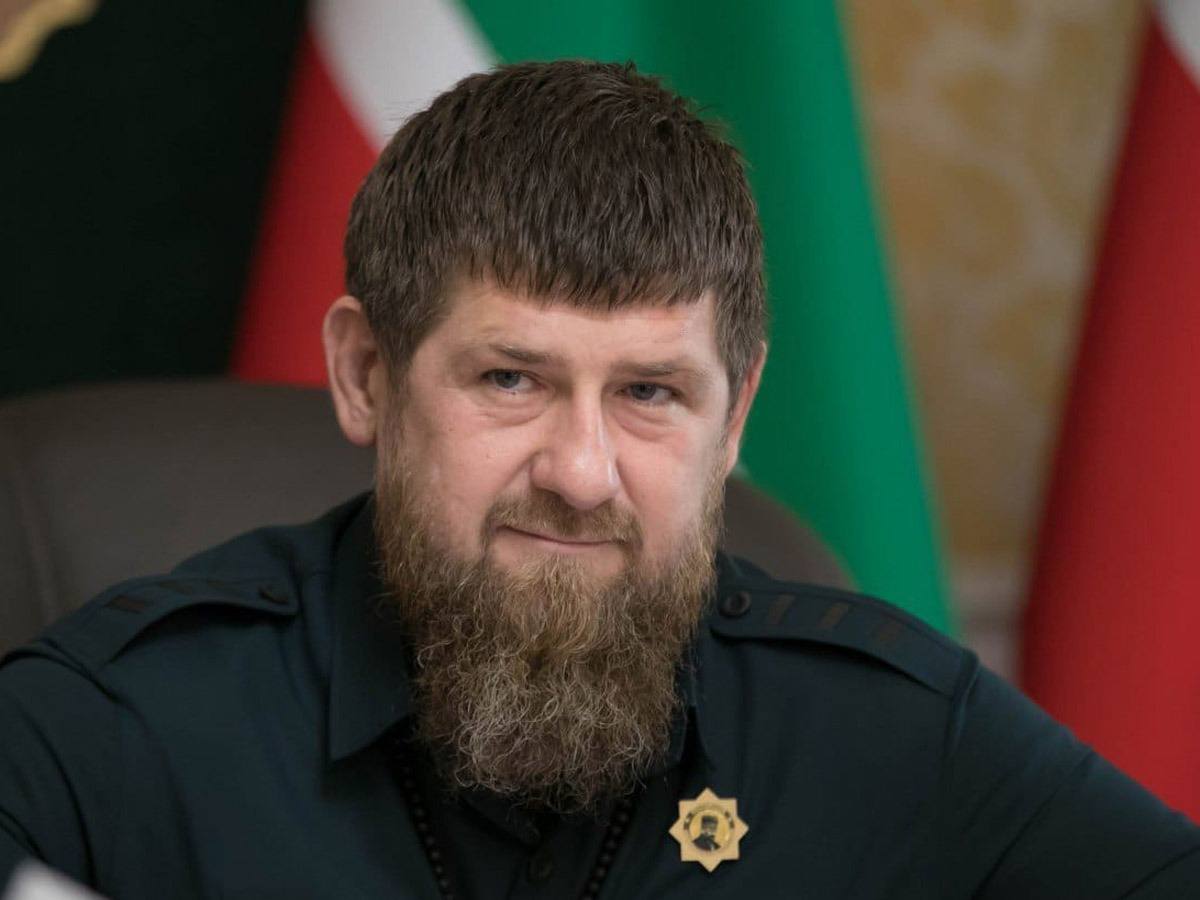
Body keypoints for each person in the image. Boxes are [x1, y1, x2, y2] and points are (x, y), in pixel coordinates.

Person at [1, 60, 1197, 900]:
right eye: (511, 379)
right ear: (366, 375)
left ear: (735, 416)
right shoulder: (116, 727)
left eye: (650, 394)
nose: (581, 474)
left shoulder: (891, 730)